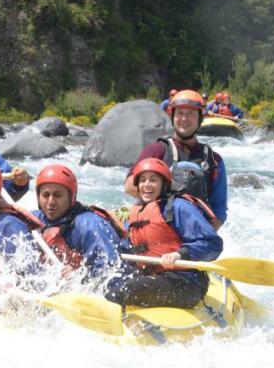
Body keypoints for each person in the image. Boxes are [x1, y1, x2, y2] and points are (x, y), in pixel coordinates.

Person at [104, 157, 223, 310]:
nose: (146, 185)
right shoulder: (136, 213)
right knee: (108, 281)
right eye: (142, 180)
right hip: (153, 276)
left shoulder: (178, 207)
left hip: (186, 283)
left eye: (153, 180)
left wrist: (180, 254)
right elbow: (124, 248)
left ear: (164, 184)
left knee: (127, 288)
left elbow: (212, 243)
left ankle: (111, 324)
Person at [133, 89, 228, 224]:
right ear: (172, 117)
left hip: (195, 233)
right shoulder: (157, 150)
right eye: (180, 113)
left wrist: (204, 237)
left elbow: (219, 210)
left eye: (190, 114)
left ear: (200, 118)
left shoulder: (214, 160)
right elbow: (130, 185)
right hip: (157, 226)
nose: (184, 119)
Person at [32, 164, 122, 278]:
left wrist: (82, 273)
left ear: (71, 198)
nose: (51, 202)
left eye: (58, 195)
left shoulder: (90, 225)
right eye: (45, 195)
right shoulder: (34, 219)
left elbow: (110, 268)